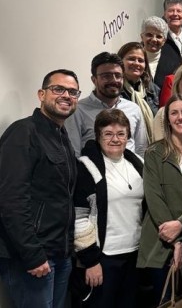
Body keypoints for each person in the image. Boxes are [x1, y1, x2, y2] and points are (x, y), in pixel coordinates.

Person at [0, 69, 80, 308]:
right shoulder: (23, 132)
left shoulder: (62, 137)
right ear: (42, 94)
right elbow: (11, 199)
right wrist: (33, 254)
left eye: (72, 92)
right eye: (58, 89)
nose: (66, 96)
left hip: (59, 255)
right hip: (32, 258)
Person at [73, 109, 144, 307]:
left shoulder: (138, 164)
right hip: (103, 259)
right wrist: (90, 261)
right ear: (98, 136)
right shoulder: (86, 168)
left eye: (121, 133)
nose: (115, 139)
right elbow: (78, 217)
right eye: (108, 134)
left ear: (128, 136)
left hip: (135, 256)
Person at [137, 94, 182, 303]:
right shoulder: (155, 152)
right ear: (167, 119)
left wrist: (181, 224)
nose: (180, 117)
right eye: (174, 113)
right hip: (163, 239)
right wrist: (176, 240)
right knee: (168, 301)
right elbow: (153, 198)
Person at [65, 52, 148, 157]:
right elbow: (74, 153)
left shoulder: (134, 109)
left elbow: (141, 149)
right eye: (106, 76)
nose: (114, 80)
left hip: (130, 171)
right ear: (94, 80)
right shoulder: (78, 110)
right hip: (94, 172)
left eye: (118, 75)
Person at [118, 42, 159, 143]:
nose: (136, 63)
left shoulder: (152, 89)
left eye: (140, 60)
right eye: (131, 59)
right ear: (120, 61)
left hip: (153, 151)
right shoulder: (115, 92)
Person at [154, 0, 182, 88]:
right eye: (171, 10)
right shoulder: (157, 39)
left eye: (179, 11)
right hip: (163, 92)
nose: (175, 14)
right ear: (164, 14)